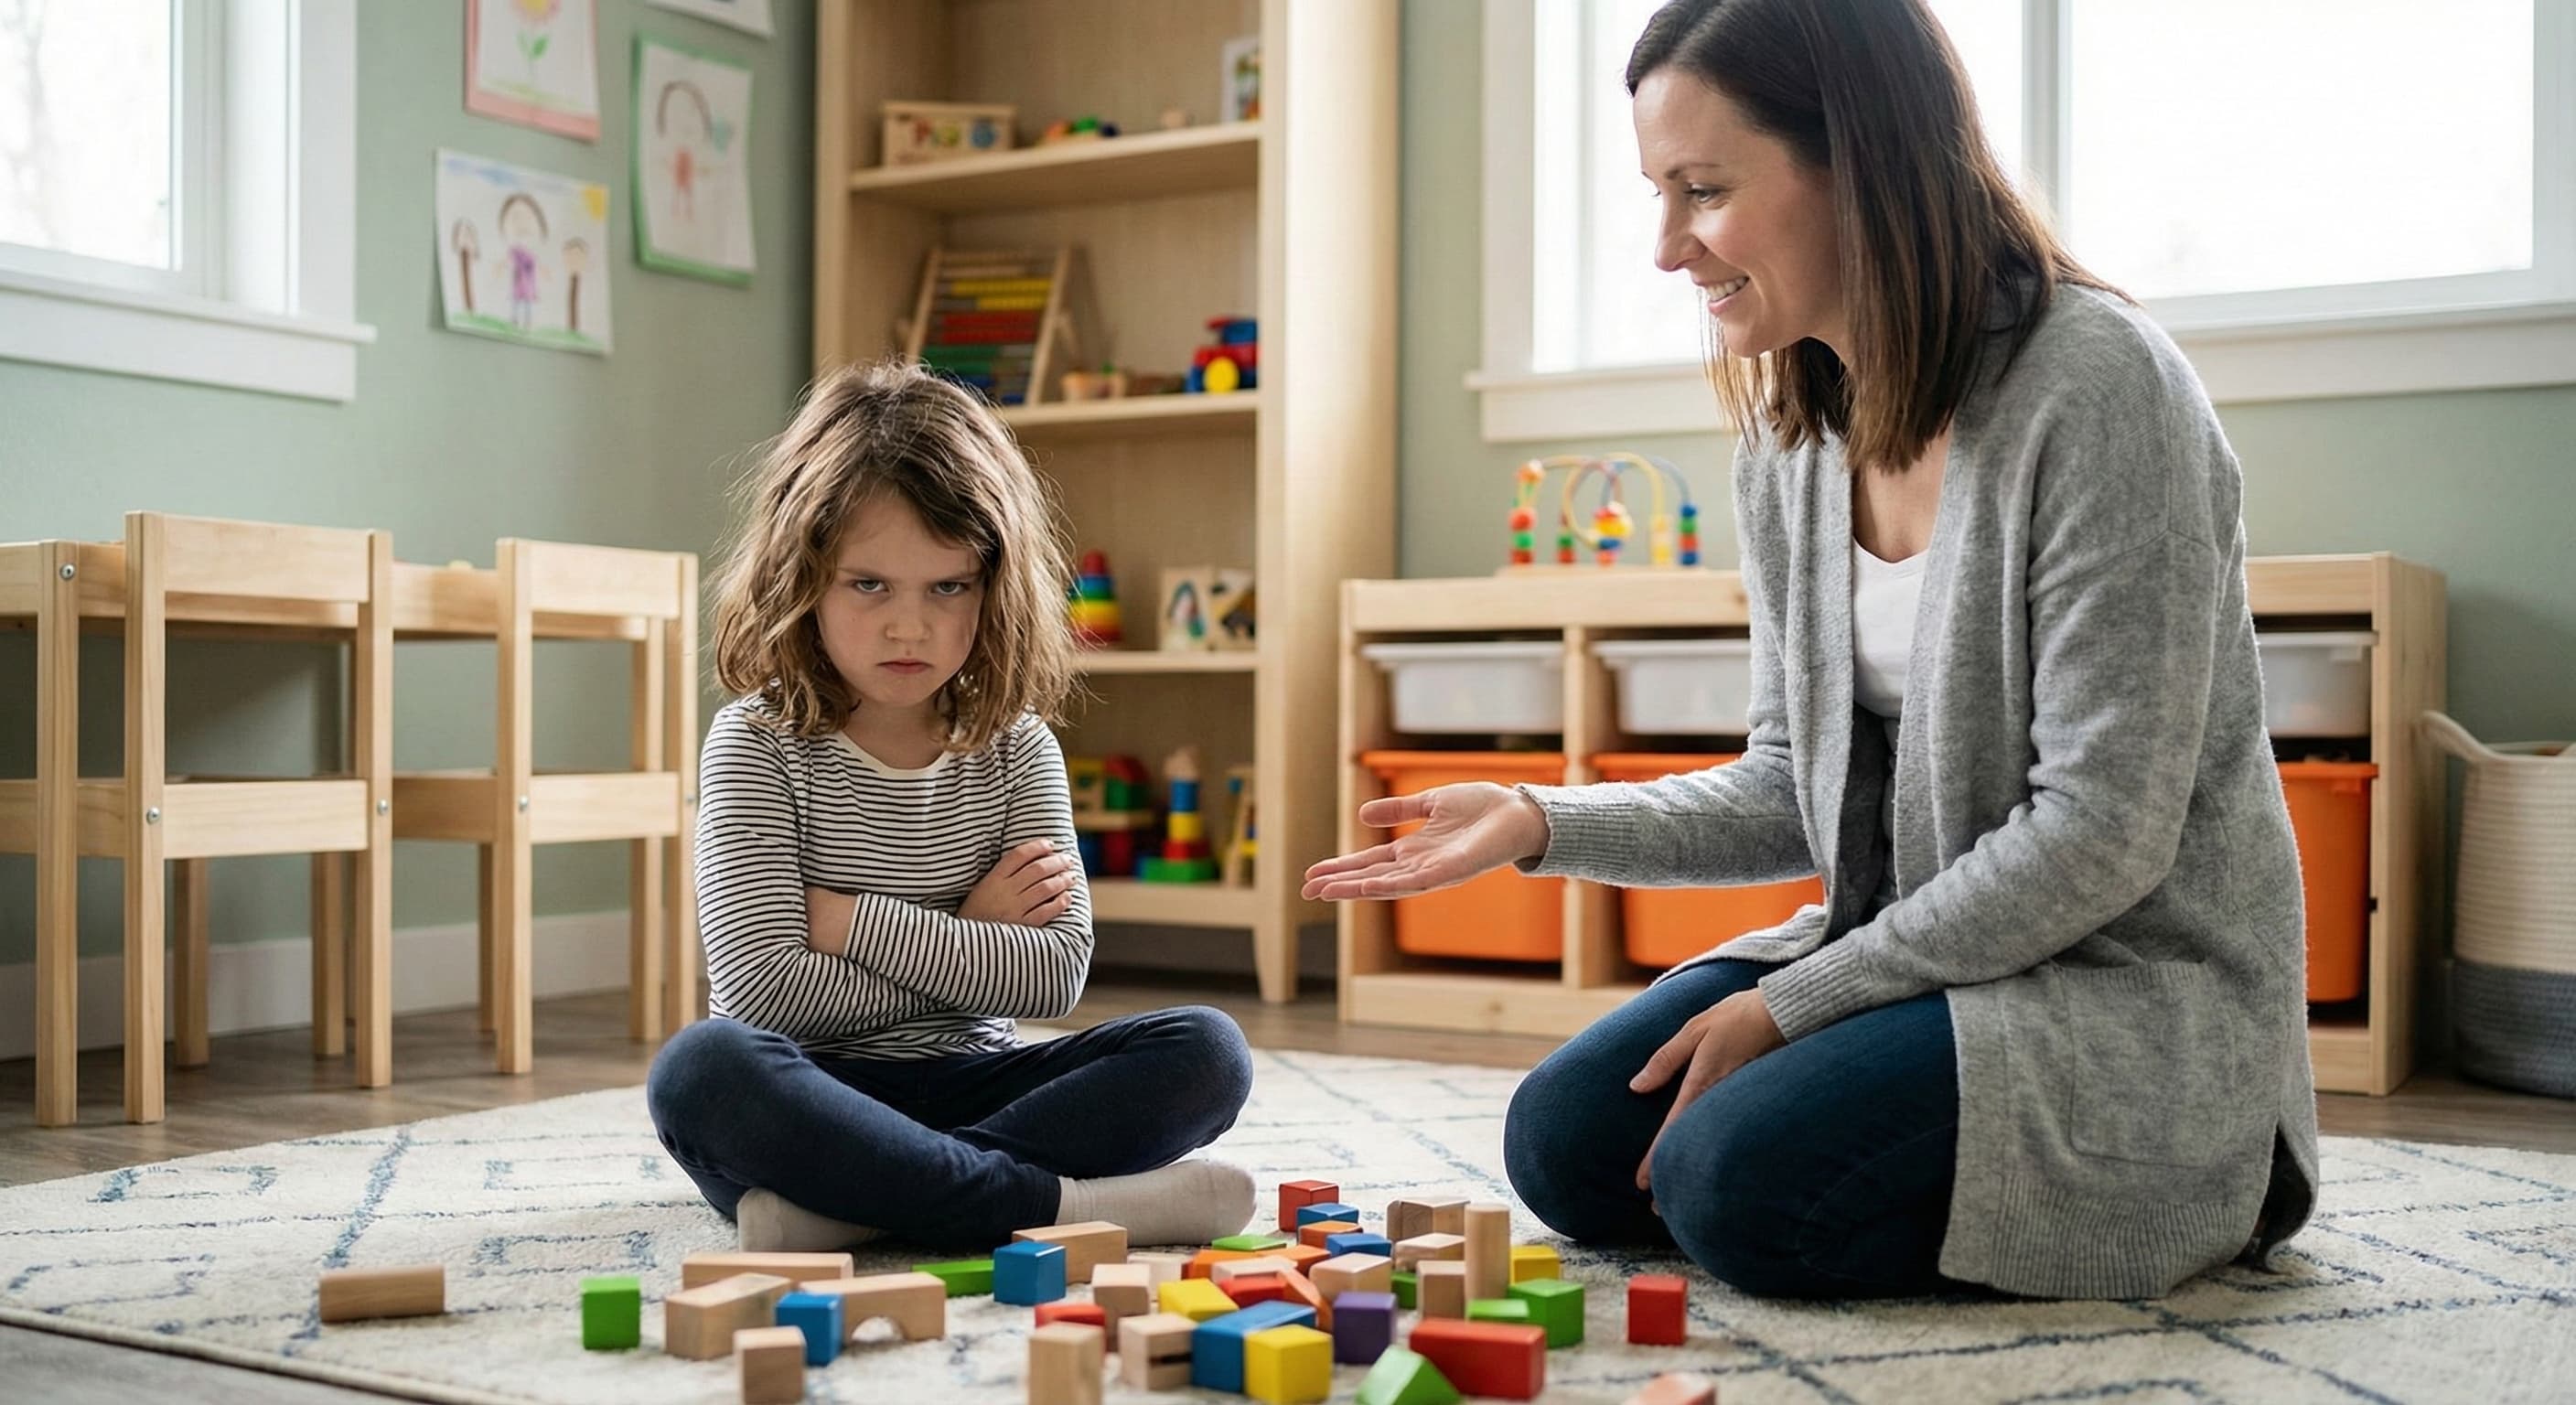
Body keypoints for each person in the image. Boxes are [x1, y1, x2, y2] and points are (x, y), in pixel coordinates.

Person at [1305, 0, 2315, 1301]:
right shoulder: (1790, 443)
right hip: (1918, 948)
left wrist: (1795, 1004)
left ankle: (2191, 1181)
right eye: (1659, 195)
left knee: (1736, 1185)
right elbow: (1795, 787)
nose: (1668, 247)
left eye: (1704, 191)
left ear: (1861, 163)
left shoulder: (2099, 384)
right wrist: (1539, 819)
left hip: (2122, 985)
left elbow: (2100, 834)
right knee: (1565, 1142)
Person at [649, 361, 1257, 1253]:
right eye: (869, 585)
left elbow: (1051, 976)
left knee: (1206, 1050)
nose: (911, 627)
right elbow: (764, 993)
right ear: (801, 578)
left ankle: (870, 1208)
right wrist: (970, 932)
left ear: (992, 586)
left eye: (948, 587)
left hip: (980, 1082)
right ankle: (1055, 1206)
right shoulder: (756, 741)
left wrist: (847, 921)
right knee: (702, 1070)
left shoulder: (1017, 746)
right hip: (814, 1098)